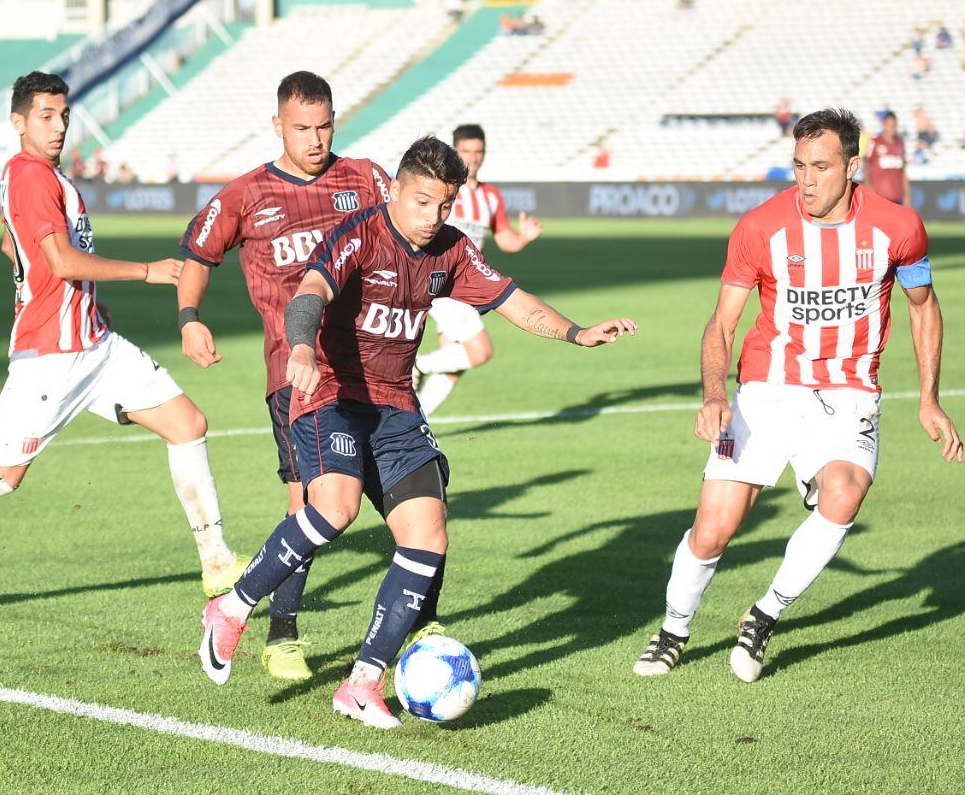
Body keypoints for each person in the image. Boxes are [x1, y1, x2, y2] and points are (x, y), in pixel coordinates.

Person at [198, 136, 637, 727]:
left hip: (397, 406)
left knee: (427, 538)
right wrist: (301, 345)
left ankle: (362, 683)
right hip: (332, 394)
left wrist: (577, 333)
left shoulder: (452, 250)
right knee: (335, 509)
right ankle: (231, 608)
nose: (433, 218)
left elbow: (511, 300)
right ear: (398, 190)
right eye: (422, 202)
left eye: (445, 205)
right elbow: (309, 294)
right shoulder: (358, 233)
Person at [0, 72, 247, 625]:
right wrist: (146, 271)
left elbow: (12, 247)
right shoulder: (31, 176)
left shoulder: (46, 178)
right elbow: (60, 261)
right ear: (18, 122)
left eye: (64, 114)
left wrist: (82, 299)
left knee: (188, 424)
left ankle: (215, 562)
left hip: (94, 343)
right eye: (46, 115)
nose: (59, 125)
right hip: (53, 357)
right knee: (1, 476)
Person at [633, 108, 961, 683]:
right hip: (766, 389)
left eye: (821, 167)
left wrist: (928, 398)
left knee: (844, 494)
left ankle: (764, 615)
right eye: (798, 165)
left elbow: (923, 306)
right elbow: (723, 323)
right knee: (715, 527)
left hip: (850, 389)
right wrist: (715, 394)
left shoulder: (899, 227)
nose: (806, 180)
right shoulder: (761, 227)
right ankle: (674, 629)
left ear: (853, 167)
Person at [177, 71, 392, 681]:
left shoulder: (365, 177)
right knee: (307, 502)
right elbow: (198, 254)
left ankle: (417, 618)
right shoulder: (246, 194)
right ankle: (281, 632)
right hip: (296, 375)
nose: (316, 138)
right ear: (278, 126)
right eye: (302, 128)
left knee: (410, 490)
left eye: (325, 125)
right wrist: (190, 318)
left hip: (374, 368)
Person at [414, 124, 543, 416]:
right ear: (455, 152)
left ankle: (416, 422)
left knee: (454, 366)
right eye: (466, 152)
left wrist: (524, 237)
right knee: (480, 351)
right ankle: (419, 365)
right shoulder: (443, 190)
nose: (473, 158)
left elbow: (504, 239)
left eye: (478, 152)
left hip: (468, 286)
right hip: (444, 283)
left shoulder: (491, 196)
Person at [865, 111, 909, 205]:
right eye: (889, 125)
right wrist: (870, 189)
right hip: (880, 197)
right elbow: (866, 165)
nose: (891, 128)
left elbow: (903, 171)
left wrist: (907, 194)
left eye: (894, 125)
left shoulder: (900, 143)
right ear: (884, 125)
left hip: (897, 197)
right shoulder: (875, 142)